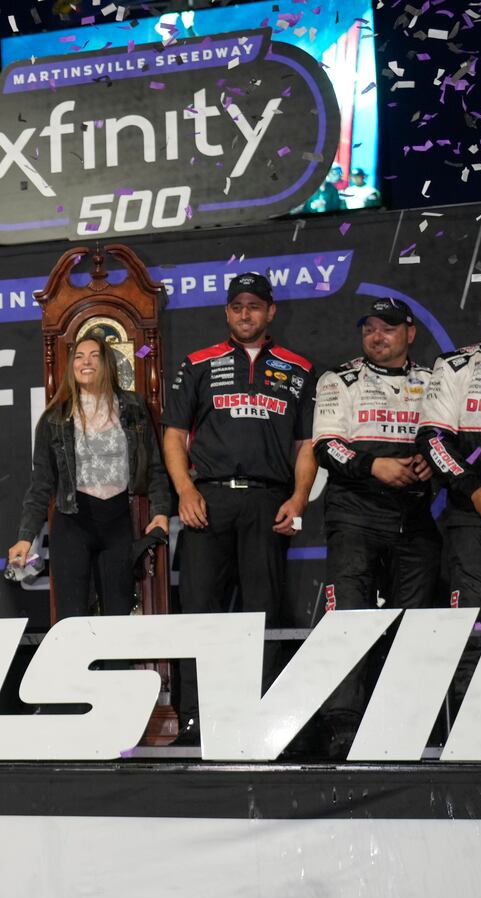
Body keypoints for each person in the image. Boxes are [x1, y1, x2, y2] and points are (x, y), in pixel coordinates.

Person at [163, 272, 317, 739]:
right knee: (199, 608)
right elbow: (173, 435)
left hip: (269, 499)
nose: (245, 313)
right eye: (237, 306)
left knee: (264, 610)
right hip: (207, 498)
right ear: (227, 312)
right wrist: (185, 492)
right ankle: (194, 715)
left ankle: (262, 714)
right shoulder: (197, 363)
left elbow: (307, 444)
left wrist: (298, 499)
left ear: (271, 311)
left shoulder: (300, 368)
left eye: (254, 306)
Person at [310, 297, 438, 755]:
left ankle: (405, 716)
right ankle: (342, 723)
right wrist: (374, 466)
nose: (376, 336)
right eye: (368, 328)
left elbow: (458, 440)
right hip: (355, 514)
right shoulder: (339, 379)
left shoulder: (435, 379)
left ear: (410, 332)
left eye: (386, 328)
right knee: (348, 619)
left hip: (415, 517)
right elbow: (326, 448)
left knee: (415, 622)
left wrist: (432, 464)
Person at [8, 335, 172, 619]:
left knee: (118, 615)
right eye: (79, 356)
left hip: (118, 522)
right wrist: (25, 537)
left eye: (94, 355)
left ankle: (115, 666)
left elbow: (153, 466)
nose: (86, 361)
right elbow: (41, 484)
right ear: (71, 366)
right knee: (71, 619)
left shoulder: (134, 408)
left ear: (107, 362)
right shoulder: (54, 418)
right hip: (73, 523)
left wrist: (160, 511)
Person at [419, 280, 481, 625]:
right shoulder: (455, 366)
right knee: (471, 624)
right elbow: (433, 439)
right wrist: (476, 491)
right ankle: (467, 682)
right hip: (472, 514)